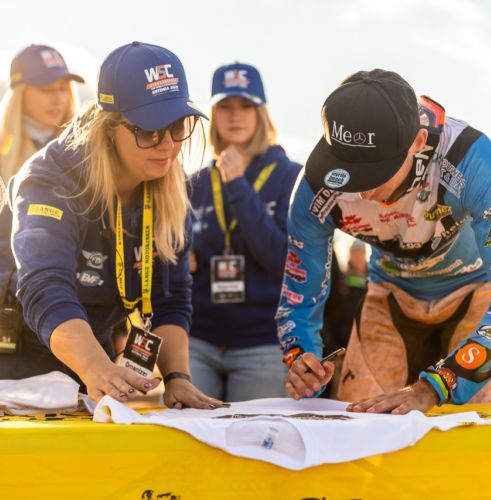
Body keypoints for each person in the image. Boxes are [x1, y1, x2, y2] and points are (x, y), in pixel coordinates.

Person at [1, 41, 225, 410]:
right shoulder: (49, 178)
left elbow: (171, 297)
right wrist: (95, 366)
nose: (167, 145)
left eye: (177, 126)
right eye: (150, 131)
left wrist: (178, 377)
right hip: (18, 354)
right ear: (109, 127)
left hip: (95, 349)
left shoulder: (170, 186)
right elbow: (45, 286)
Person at [277, 69, 491, 414]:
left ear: (418, 142)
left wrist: (439, 384)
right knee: (358, 417)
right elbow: (298, 298)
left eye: (375, 172)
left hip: (475, 289)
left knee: (484, 418)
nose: (361, 192)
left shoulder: (468, 158)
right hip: (389, 293)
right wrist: (302, 358)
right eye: (347, 170)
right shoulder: (313, 188)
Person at [188, 62, 302, 401]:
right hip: (197, 341)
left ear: (261, 113)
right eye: (225, 106)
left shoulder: (290, 177)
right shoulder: (193, 184)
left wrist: (237, 185)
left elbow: (283, 259)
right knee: (187, 432)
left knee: (253, 434)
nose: (235, 115)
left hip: (263, 343)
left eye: (245, 106)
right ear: (213, 114)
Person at [0, 44, 84, 308]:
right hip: (9, 307)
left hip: (71, 303)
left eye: (63, 88)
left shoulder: (86, 156)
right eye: (46, 89)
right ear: (20, 93)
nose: (58, 99)